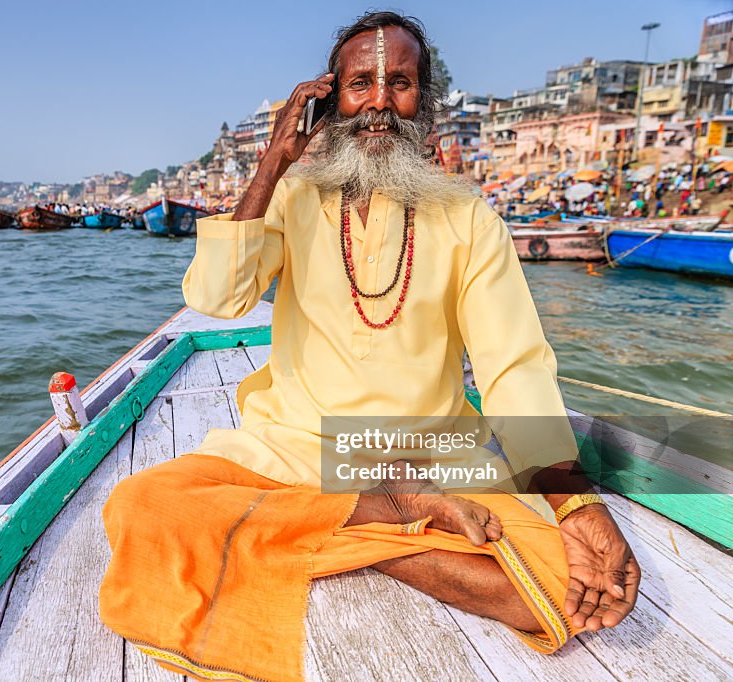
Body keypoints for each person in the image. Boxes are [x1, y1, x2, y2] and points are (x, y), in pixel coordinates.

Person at [99, 12, 639, 681]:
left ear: (425, 103)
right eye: (360, 84)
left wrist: (577, 503)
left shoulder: (468, 216)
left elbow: (514, 368)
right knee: (141, 503)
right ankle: (393, 527)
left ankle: (359, 526)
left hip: (439, 452)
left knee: (578, 585)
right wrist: (274, 160)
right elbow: (218, 296)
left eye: (401, 83)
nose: (380, 100)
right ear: (330, 102)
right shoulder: (293, 198)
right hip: (299, 443)